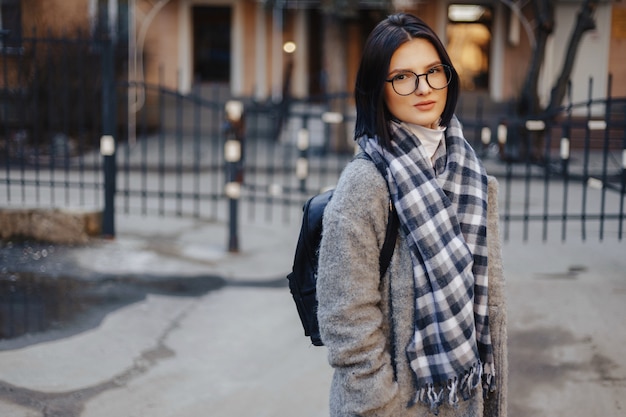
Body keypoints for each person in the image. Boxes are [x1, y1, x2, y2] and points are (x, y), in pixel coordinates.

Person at [316, 12, 506, 417]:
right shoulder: (365, 186)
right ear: (376, 89)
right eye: (402, 76)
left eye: (433, 71)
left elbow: (487, 307)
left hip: (464, 399)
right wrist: (381, 405)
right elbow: (346, 320)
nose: (423, 88)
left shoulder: (470, 176)